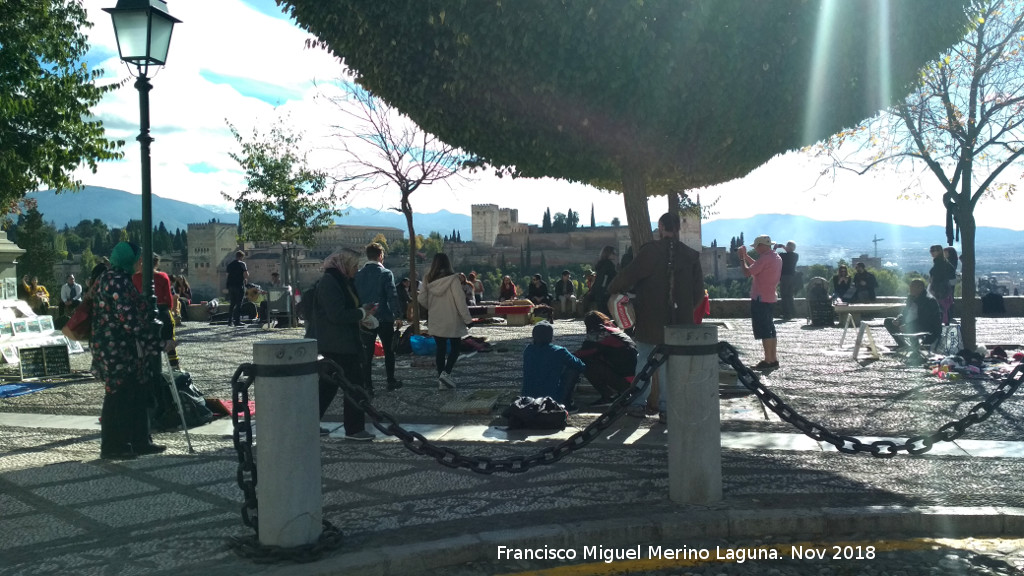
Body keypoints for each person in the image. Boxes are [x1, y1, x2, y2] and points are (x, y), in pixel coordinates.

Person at [608, 213, 704, 420]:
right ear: (678, 228)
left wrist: (612, 288)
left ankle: (638, 404)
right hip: (680, 322)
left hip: (650, 318)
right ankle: (667, 408)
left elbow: (628, 275)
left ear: (660, 227)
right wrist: (684, 311)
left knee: (643, 360)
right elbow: (698, 294)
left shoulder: (650, 252)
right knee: (673, 364)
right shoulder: (691, 256)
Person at [91, 242, 165, 459]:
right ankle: (114, 446)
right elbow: (128, 319)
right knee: (118, 395)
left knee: (136, 392)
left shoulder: (116, 278)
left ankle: (139, 440)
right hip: (115, 348)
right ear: (127, 259)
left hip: (124, 347)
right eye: (137, 258)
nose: (140, 262)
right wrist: (156, 343)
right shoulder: (115, 281)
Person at [305, 249, 378, 441]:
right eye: (354, 265)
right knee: (354, 385)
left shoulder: (342, 281)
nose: (357, 269)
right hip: (337, 344)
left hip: (341, 342)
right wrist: (361, 313)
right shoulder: (331, 282)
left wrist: (362, 314)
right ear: (343, 265)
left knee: (328, 386)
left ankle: (309, 423)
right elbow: (336, 314)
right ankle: (354, 429)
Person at [418, 253, 473, 390]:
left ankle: (441, 380)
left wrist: (431, 306)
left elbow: (421, 298)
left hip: (436, 317)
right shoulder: (453, 279)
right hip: (452, 318)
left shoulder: (427, 279)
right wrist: (467, 319)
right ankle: (446, 373)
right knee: (455, 348)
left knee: (440, 350)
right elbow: (460, 301)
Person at [354, 242, 404, 392]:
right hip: (384, 317)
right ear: (381, 256)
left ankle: (368, 385)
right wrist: (398, 315)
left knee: (367, 354)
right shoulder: (386, 273)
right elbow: (392, 296)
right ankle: (390, 380)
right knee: (389, 351)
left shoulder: (358, 275)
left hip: (365, 318)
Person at [573, 311, 638, 406]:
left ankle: (608, 395)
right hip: (635, 378)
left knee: (585, 363)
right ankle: (615, 393)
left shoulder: (599, 332)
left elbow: (583, 352)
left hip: (626, 381)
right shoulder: (615, 331)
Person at [738, 234, 782, 371]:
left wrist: (741, 258)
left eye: (757, 247)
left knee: (764, 330)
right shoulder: (775, 257)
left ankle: (768, 360)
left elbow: (747, 272)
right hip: (770, 297)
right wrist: (746, 256)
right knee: (770, 328)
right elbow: (757, 265)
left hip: (760, 298)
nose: (756, 250)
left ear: (761, 246)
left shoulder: (765, 259)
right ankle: (773, 359)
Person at [132, 254, 181, 370]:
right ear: (156, 264)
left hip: (143, 313)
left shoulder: (135, 277)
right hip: (163, 311)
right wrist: (170, 309)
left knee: (146, 341)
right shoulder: (163, 276)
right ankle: (174, 366)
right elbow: (169, 299)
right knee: (169, 340)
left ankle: (147, 367)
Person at [522, 323, 586, 410]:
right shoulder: (559, 351)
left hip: (527, 398)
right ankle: (566, 403)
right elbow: (580, 365)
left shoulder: (528, 350)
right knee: (573, 370)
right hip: (551, 398)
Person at [884, 278, 941, 350]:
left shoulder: (929, 301)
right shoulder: (911, 298)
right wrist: (899, 319)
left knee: (911, 327)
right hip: (910, 323)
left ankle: (916, 347)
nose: (910, 289)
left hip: (925, 326)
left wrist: (909, 325)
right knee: (888, 321)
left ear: (920, 288)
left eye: (912, 287)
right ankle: (903, 345)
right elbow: (905, 312)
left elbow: (925, 320)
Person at [928, 244, 956, 325]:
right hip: (943, 289)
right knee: (944, 309)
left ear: (939, 251)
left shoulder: (940, 263)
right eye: (931, 250)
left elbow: (937, 275)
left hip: (939, 290)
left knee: (940, 308)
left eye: (933, 250)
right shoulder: (943, 262)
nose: (931, 253)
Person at [775, 241, 798, 320]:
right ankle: (793, 313)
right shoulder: (796, 256)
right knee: (790, 295)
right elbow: (790, 251)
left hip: (785, 277)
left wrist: (776, 248)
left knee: (784, 296)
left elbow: (774, 255)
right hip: (792, 277)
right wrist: (784, 247)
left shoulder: (782, 255)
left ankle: (786, 314)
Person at [592, 246, 617, 315]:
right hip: (605, 291)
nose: (615, 255)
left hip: (598, 291)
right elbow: (613, 277)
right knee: (607, 313)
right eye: (614, 253)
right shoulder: (609, 264)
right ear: (608, 254)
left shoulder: (600, 264)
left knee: (601, 313)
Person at [226, 250, 248, 327]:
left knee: (232, 303)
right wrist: (245, 278)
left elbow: (227, 276)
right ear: (241, 257)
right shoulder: (242, 264)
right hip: (239, 286)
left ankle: (229, 321)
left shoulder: (230, 265)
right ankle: (237, 321)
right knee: (239, 304)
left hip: (231, 286)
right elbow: (246, 274)